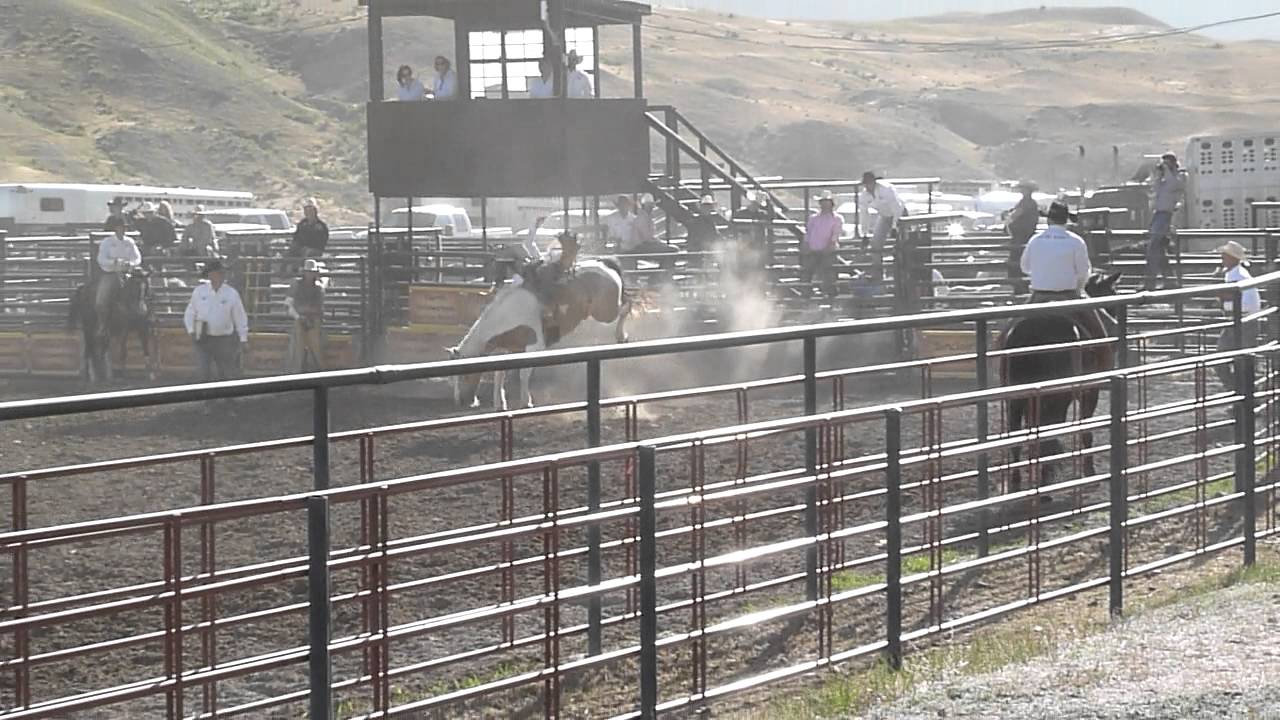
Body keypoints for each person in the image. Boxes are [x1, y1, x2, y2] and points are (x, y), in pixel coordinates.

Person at [1020, 201, 1103, 339]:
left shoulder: (1035, 240)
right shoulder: (1076, 241)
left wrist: (1043, 273)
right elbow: (1083, 272)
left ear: (1048, 220)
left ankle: (999, 350)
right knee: (1099, 332)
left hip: (1039, 296)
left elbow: (1025, 267)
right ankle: (1106, 351)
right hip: (1069, 295)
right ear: (1066, 220)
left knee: (1010, 328)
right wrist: (1078, 288)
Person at [183, 259, 249, 383]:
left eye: (222, 273)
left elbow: (240, 317)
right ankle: (205, 394)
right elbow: (190, 313)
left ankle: (224, 394)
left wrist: (243, 338)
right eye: (219, 272)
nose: (222, 275)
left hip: (224, 339)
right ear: (210, 275)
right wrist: (191, 330)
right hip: (203, 337)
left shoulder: (231, 293)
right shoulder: (199, 291)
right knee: (203, 372)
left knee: (225, 373)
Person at [1213, 240, 1261, 389]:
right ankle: (1240, 391)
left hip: (1243, 322)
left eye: (1225, 255)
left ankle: (1238, 390)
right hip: (1241, 321)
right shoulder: (1236, 274)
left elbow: (1245, 304)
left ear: (1232, 258)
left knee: (1233, 360)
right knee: (1240, 361)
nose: (1222, 258)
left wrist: (1224, 299)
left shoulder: (1239, 276)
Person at [1145, 152, 1187, 291]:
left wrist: (1167, 169)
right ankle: (1169, 280)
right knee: (1159, 250)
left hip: (1166, 216)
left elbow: (1172, 184)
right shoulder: (1164, 180)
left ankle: (1150, 283)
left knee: (1153, 249)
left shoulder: (1179, 178)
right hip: (1158, 215)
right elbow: (1156, 189)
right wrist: (1158, 175)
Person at [858, 171, 904, 280]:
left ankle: (903, 273)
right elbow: (864, 214)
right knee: (875, 244)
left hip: (900, 216)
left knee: (902, 244)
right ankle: (878, 274)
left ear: (874, 182)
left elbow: (897, 207)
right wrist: (864, 234)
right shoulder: (864, 196)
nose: (867, 186)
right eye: (866, 184)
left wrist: (895, 226)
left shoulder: (887, 189)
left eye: (869, 183)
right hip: (884, 216)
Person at [94, 215, 143, 317]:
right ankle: (102, 321)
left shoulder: (129, 242)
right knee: (101, 300)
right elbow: (101, 259)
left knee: (141, 289)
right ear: (115, 229)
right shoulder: (107, 242)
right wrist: (114, 262)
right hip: (111, 273)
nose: (122, 230)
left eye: (124, 228)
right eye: (120, 227)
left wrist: (131, 263)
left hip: (128, 273)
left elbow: (137, 257)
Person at [285, 259, 326, 372]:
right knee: (298, 345)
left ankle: (318, 368)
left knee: (316, 345)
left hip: (313, 319)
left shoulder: (318, 288)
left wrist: (308, 314)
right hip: (299, 317)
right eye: (308, 272)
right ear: (304, 272)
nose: (310, 274)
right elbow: (288, 304)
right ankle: (298, 369)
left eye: (312, 272)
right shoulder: (296, 285)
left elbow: (319, 308)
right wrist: (298, 316)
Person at [802, 191, 843, 298]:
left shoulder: (837, 218)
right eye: (823, 202)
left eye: (827, 202)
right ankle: (807, 293)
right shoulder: (813, 218)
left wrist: (830, 245)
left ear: (831, 203)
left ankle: (830, 294)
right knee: (807, 272)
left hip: (828, 251)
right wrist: (806, 244)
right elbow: (808, 233)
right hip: (813, 250)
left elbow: (835, 234)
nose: (824, 204)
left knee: (829, 273)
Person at [1006, 181, 1041, 293]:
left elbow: (1016, 215)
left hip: (1021, 236)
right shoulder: (1029, 203)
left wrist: (1009, 219)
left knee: (1017, 261)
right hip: (1024, 235)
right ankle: (1021, 287)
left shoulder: (1026, 203)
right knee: (1021, 262)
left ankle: (1019, 288)